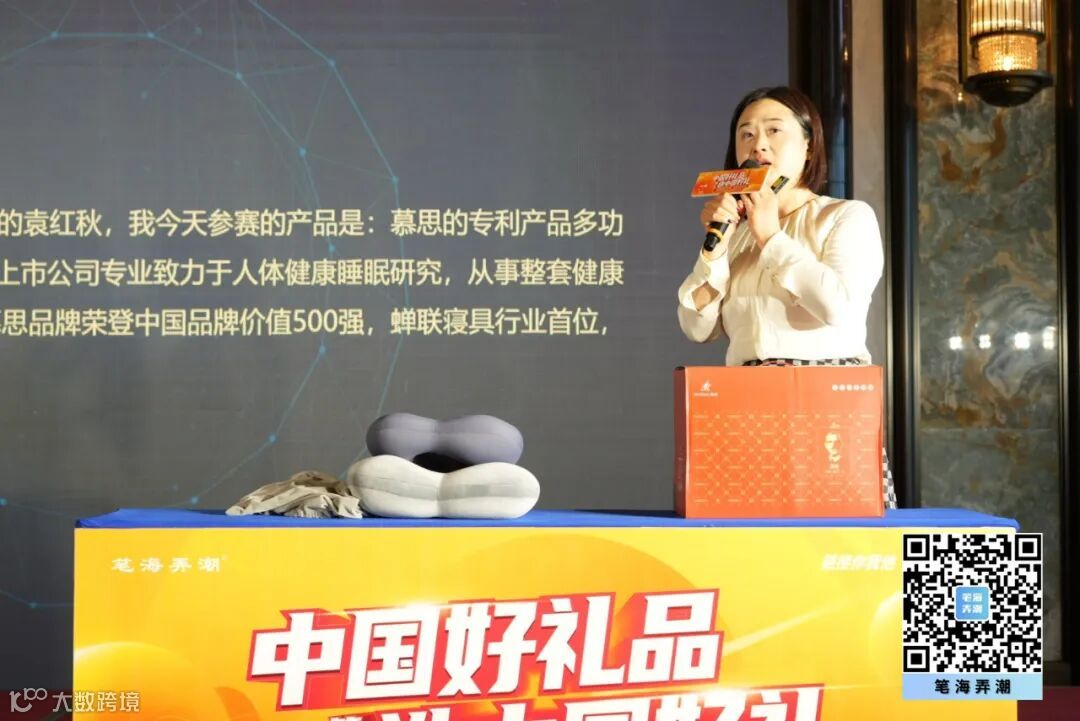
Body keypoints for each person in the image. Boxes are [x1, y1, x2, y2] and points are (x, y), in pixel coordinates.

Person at [676, 85, 896, 509]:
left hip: (826, 404)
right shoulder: (735, 235)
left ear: (809, 147)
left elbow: (838, 306)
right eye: (746, 134)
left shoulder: (844, 217)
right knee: (751, 536)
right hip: (747, 407)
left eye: (774, 131)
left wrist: (770, 236)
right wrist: (716, 249)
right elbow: (696, 326)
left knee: (834, 537)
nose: (758, 144)